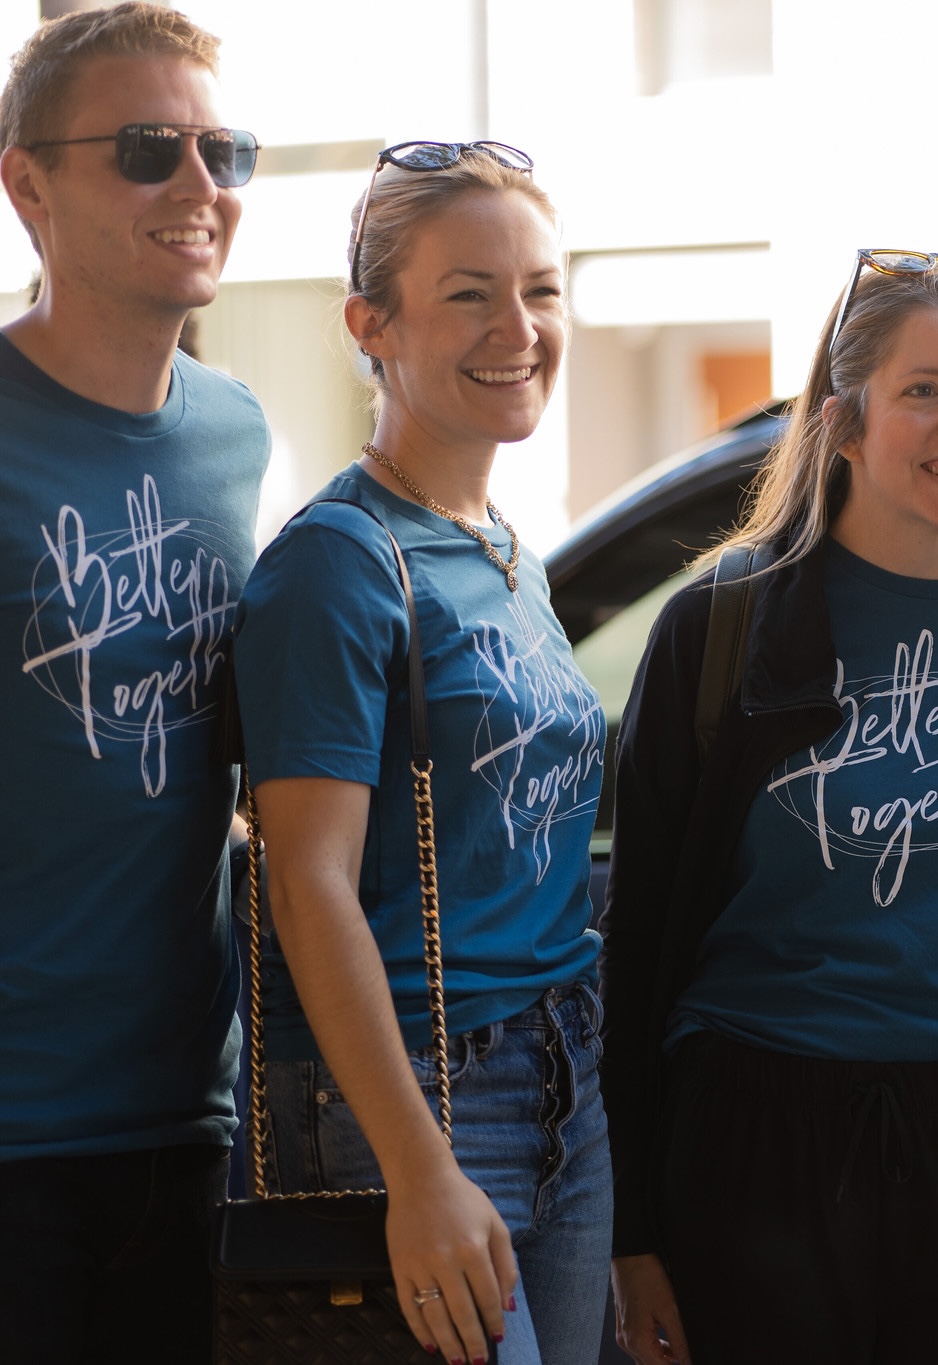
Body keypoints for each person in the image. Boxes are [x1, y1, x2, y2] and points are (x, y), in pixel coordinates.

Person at [602, 251, 938, 1365]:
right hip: (761, 1141)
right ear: (841, 422)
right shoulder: (720, 631)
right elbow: (639, 948)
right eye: (923, 390)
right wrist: (634, 1233)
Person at [232, 143, 609, 1365]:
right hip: (429, 1095)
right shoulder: (339, 562)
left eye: (541, 290)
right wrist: (416, 1165)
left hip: (565, 1077)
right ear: (370, 324)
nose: (519, 326)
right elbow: (306, 884)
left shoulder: (503, 547)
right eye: (469, 293)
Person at [0, 7, 269, 1359]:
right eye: (151, 149)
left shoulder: (235, 431)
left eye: (226, 150)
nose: (201, 186)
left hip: (186, 1120)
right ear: (27, 183)